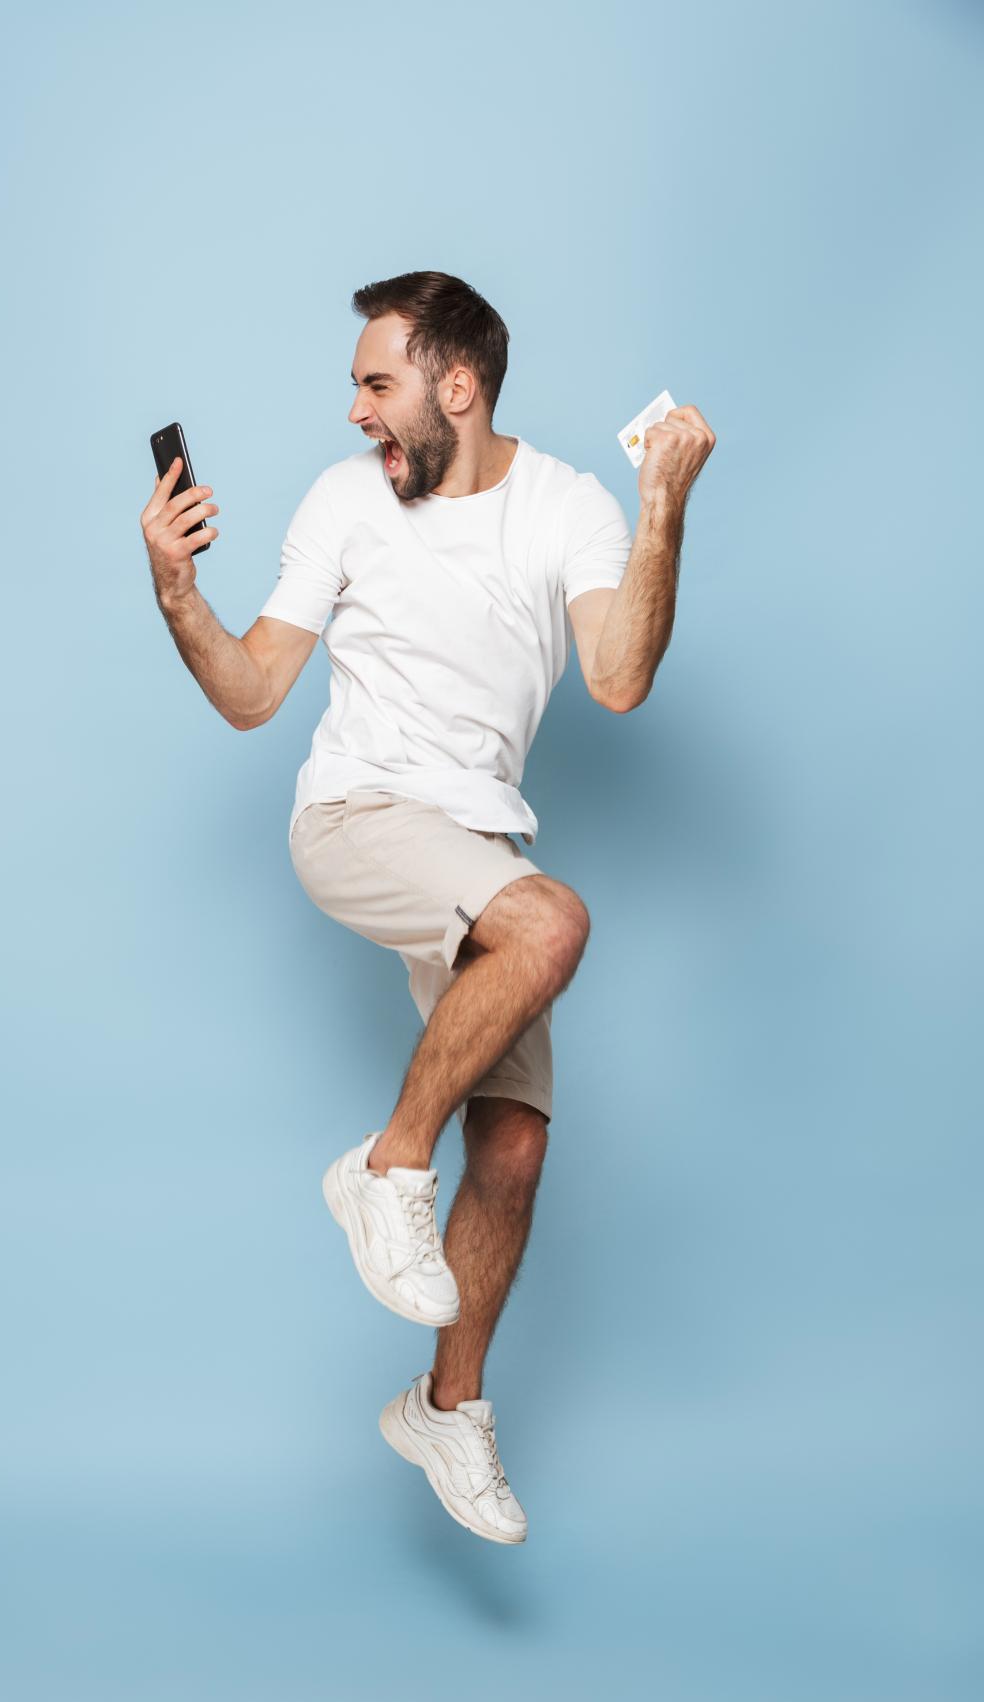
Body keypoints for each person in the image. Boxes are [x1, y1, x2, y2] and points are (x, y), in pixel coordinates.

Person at [141, 271, 715, 1545]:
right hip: (358, 814)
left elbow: (620, 679)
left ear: (458, 387)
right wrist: (179, 591)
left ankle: (446, 1408)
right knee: (553, 924)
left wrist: (662, 509)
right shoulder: (345, 501)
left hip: (476, 850)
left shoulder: (565, 505)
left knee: (513, 1147)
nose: (356, 411)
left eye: (377, 384)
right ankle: (386, 1166)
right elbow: (253, 693)